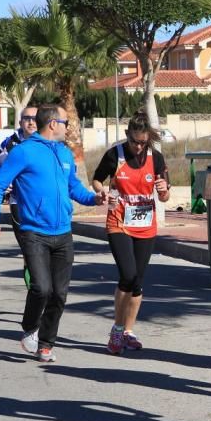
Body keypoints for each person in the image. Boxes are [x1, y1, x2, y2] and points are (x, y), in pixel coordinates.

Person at [0, 103, 106, 362]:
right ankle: (30, 328)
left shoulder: (64, 153)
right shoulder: (24, 152)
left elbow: (74, 188)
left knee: (59, 293)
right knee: (41, 288)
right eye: (65, 123)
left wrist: (93, 199)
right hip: (34, 231)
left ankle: (46, 343)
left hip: (63, 232)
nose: (68, 128)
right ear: (53, 124)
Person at [90, 111, 171, 354]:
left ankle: (128, 331)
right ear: (128, 136)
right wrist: (102, 191)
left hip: (146, 226)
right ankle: (116, 330)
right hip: (119, 223)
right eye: (135, 141)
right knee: (128, 274)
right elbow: (96, 179)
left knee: (137, 281)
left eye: (143, 142)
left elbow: (164, 196)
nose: (138, 146)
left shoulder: (155, 158)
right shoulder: (115, 154)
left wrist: (164, 188)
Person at [0, 106, 39, 287]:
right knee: (29, 249)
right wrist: (4, 180)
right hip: (19, 203)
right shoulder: (10, 143)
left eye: (34, 118)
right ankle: (34, 288)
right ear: (20, 122)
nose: (31, 121)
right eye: (26, 118)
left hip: (43, 204)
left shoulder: (49, 143)